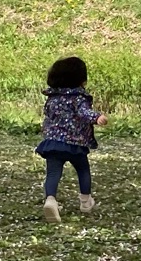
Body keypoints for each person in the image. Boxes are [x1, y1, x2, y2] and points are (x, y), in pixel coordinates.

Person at [37, 55, 104, 222]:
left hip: (53, 143)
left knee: (53, 173)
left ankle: (50, 200)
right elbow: (84, 113)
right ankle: (86, 201)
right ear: (80, 80)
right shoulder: (78, 98)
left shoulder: (52, 99)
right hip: (75, 144)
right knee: (83, 170)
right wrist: (97, 117)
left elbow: (48, 117)